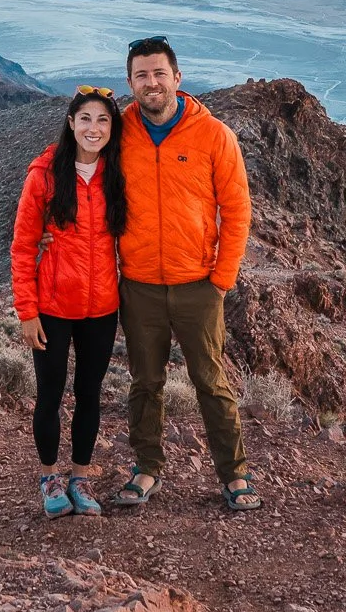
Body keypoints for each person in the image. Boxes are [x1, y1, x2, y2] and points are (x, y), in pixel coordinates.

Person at [111, 36, 260, 512]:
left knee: (211, 381)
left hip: (198, 284)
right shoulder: (120, 130)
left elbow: (237, 211)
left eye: (159, 73)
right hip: (138, 285)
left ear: (177, 77)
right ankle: (147, 468)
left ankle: (234, 474)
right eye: (141, 75)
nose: (151, 83)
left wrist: (222, 279)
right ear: (130, 83)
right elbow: (81, 176)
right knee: (144, 382)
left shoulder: (214, 135)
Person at [9, 85, 126, 517]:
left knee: (90, 393)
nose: (93, 129)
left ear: (112, 128)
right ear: (71, 123)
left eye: (103, 120)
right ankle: (49, 475)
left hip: (102, 307)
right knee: (50, 393)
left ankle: (80, 476)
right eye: (86, 120)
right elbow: (22, 246)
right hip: (53, 307)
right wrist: (27, 311)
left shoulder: (118, 173)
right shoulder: (44, 175)